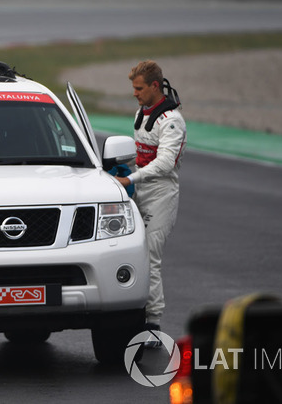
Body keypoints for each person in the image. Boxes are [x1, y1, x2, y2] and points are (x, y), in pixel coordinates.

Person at [114, 60, 187, 348]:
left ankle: (154, 325)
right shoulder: (142, 112)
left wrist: (130, 179)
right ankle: (135, 316)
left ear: (155, 86)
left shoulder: (171, 121)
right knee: (134, 254)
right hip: (140, 188)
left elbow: (166, 163)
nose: (135, 93)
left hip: (161, 193)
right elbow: (140, 154)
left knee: (150, 256)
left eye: (139, 88)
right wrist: (120, 169)